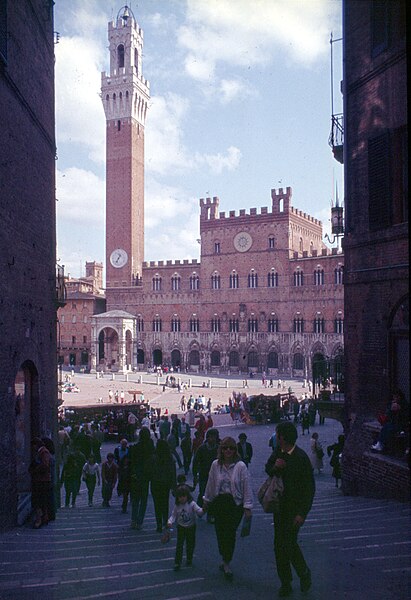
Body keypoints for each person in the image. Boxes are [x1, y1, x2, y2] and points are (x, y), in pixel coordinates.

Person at [265, 422, 315, 597]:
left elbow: (309, 489)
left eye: (277, 434)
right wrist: (275, 467)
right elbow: (267, 469)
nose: (276, 437)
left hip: (294, 511)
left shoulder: (301, 458)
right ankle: (286, 582)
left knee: (288, 544)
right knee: (279, 546)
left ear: (282, 437)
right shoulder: (277, 453)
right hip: (279, 509)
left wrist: (302, 513)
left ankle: (303, 573)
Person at [203, 436, 253, 581]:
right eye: (225, 448)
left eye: (231, 448)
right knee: (220, 532)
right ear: (221, 449)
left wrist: (248, 507)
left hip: (234, 504)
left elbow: (246, 486)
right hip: (219, 503)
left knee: (230, 533)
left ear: (235, 450)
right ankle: (224, 557)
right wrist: (206, 501)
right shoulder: (215, 465)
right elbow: (211, 483)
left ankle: (226, 561)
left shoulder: (241, 466)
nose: (228, 451)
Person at [166, 484, 204, 571]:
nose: (182, 498)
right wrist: (169, 522)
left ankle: (189, 558)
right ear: (177, 498)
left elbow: (199, 512)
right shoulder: (177, 506)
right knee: (179, 545)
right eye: (180, 497)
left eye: (183, 496)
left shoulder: (192, 504)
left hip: (191, 527)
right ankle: (177, 562)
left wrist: (204, 509)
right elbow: (173, 516)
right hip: (181, 527)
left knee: (190, 544)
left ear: (187, 496)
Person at [129, 427, 155, 530]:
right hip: (146, 476)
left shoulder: (136, 447)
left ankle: (133, 520)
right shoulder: (150, 447)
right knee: (144, 500)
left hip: (136, 475)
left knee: (135, 499)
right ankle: (140, 521)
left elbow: (132, 461)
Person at [151, 439, 177, 532]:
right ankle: (165, 521)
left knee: (157, 505)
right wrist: (174, 486)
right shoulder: (170, 458)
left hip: (155, 484)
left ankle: (158, 525)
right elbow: (173, 473)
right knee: (164, 503)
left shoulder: (153, 458)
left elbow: (150, 472)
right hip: (165, 484)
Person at [192, 428, 219, 510]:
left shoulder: (218, 448)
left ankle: (211, 512)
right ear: (207, 438)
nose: (212, 439)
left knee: (214, 493)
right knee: (203, 492)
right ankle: (200, 509)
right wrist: (195, 475)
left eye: (214, 437)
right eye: (211, 437)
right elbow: (195, 462)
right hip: (204, 474)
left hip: (215, 475)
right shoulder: (202, 448)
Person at [29, 438, 52, 528]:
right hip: (42, 480)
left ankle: (39, 520)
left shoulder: (43, 452)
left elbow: (45, 465)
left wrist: (35, 470)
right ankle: (44, 518)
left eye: (33, 445)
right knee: (42, 500)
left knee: (38, 501)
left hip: (42, 480)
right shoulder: (42, 452)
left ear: (36, 445)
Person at [114, 439, 131, 513]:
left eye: (125, 444)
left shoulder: (128, 450)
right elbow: (115, 458)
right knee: (120, 478)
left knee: (122, 479)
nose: (124, 445)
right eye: (123, 444)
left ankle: (120, 489)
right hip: (120, 466)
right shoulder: (117, 450)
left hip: (126, 468)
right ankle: (119, 489)